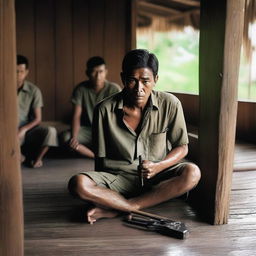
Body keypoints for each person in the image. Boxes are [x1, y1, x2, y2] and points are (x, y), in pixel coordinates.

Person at [68, 49, 201, 224]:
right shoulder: (103, 110)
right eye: (132, 81)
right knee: (78, 183)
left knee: (193, 173)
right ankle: (134, 204)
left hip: (158, 175)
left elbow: (182, 147)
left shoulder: (171, 104)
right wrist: (101, 191)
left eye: (146, 81)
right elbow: (100, 160)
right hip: (118, 178)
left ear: (156, 80)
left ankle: (122, 207)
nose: (139, 88)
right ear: (123, 79)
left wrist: (159, 166)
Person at [60, 56, 121, 158]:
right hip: (89, 130)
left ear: (106, 72)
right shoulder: (81, 89)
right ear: (87, 73)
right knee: (66, 137)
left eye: (101, 72)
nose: (98, 76)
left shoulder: (114, 89)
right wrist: (74, 137)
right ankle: (95, 156)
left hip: (108, 130)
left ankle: (95, 153)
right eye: (94, 72)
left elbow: (120, 116)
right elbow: (76, 116)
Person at [17, 55, 58, 168]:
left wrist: (23, 129)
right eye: (15, 71)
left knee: (51, 131)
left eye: (21, 71)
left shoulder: (33, 90)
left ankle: (37, 159)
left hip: (27, 129)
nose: (18, 75)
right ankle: (18, 156)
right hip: (8, 131)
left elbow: (38, 119)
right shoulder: (4, 87)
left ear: (26, 72)